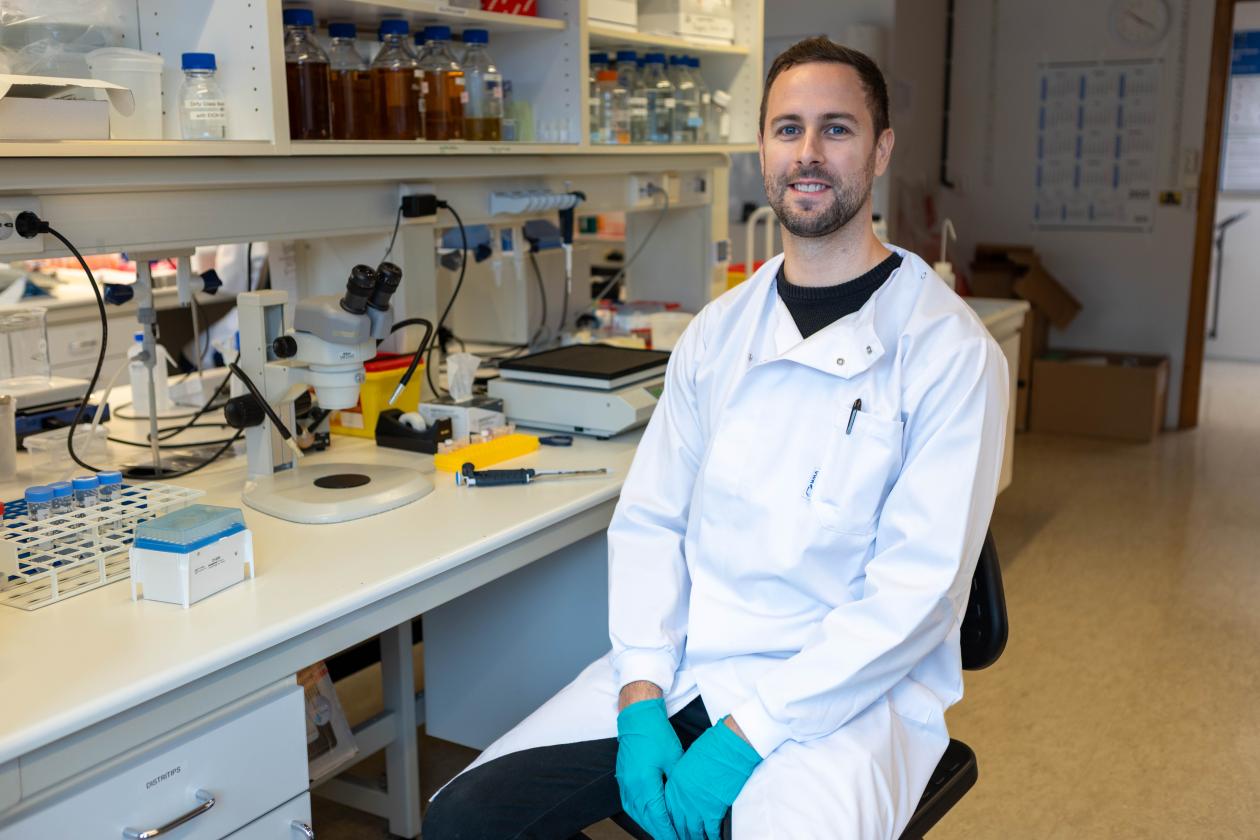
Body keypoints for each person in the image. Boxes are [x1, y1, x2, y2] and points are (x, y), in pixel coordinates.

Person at [423, 36, 1009, 839]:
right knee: (466, 818)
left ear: (880, 151)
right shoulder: (718, 332)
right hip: (686, 669)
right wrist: (638, 693)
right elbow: (652, 521)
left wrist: (749, 736)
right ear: (762, 148)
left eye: (836, 129)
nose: (808, 152)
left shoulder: (950, 351)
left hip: (844, 701)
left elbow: (915, 597)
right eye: (787, 128)